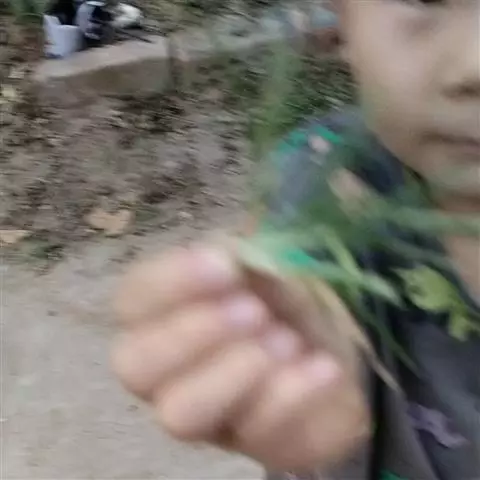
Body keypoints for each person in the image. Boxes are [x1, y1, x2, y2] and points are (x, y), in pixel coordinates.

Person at [111, 1, 480, 479]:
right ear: (341, 16)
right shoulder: (322, 176)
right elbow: (303, 293)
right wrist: (287, 355)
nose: (474, 63)